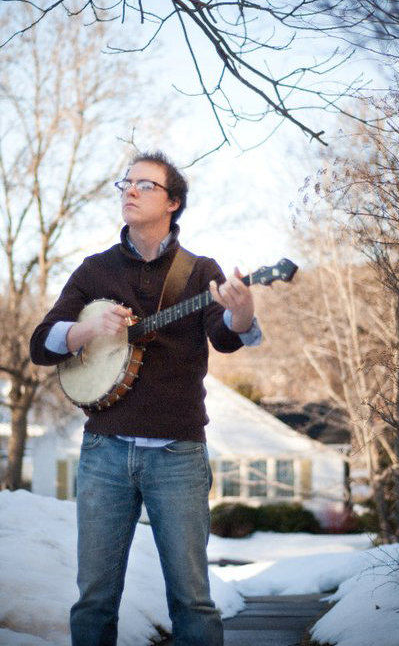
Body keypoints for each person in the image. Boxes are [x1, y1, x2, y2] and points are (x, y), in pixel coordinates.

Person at [30, 150, 262, 646]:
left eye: (145, 185)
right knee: (94, 599)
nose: (129, 191)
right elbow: (41, 344)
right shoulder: (95, 270)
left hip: (177, 452)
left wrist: (241, 313)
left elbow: (224, 337)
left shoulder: (200, 272)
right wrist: (88, 329)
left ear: (173, 202)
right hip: (104, 451)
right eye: (126, 183)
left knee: (192, 600)